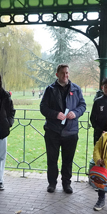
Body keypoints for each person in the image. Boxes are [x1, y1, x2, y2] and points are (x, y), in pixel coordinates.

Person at [40, 64, 86, 194]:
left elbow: (82, 105)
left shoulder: (76, 89)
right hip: (52, 131)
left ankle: (67, 184)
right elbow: (43, 108)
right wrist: (55, 114)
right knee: (52, 160)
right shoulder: (50, 90)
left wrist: (75, 113)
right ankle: (52, 184)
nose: (65, 75)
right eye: (62, 73)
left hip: (71, 131)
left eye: (67, 73)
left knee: (68, 160)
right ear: (57, 75)